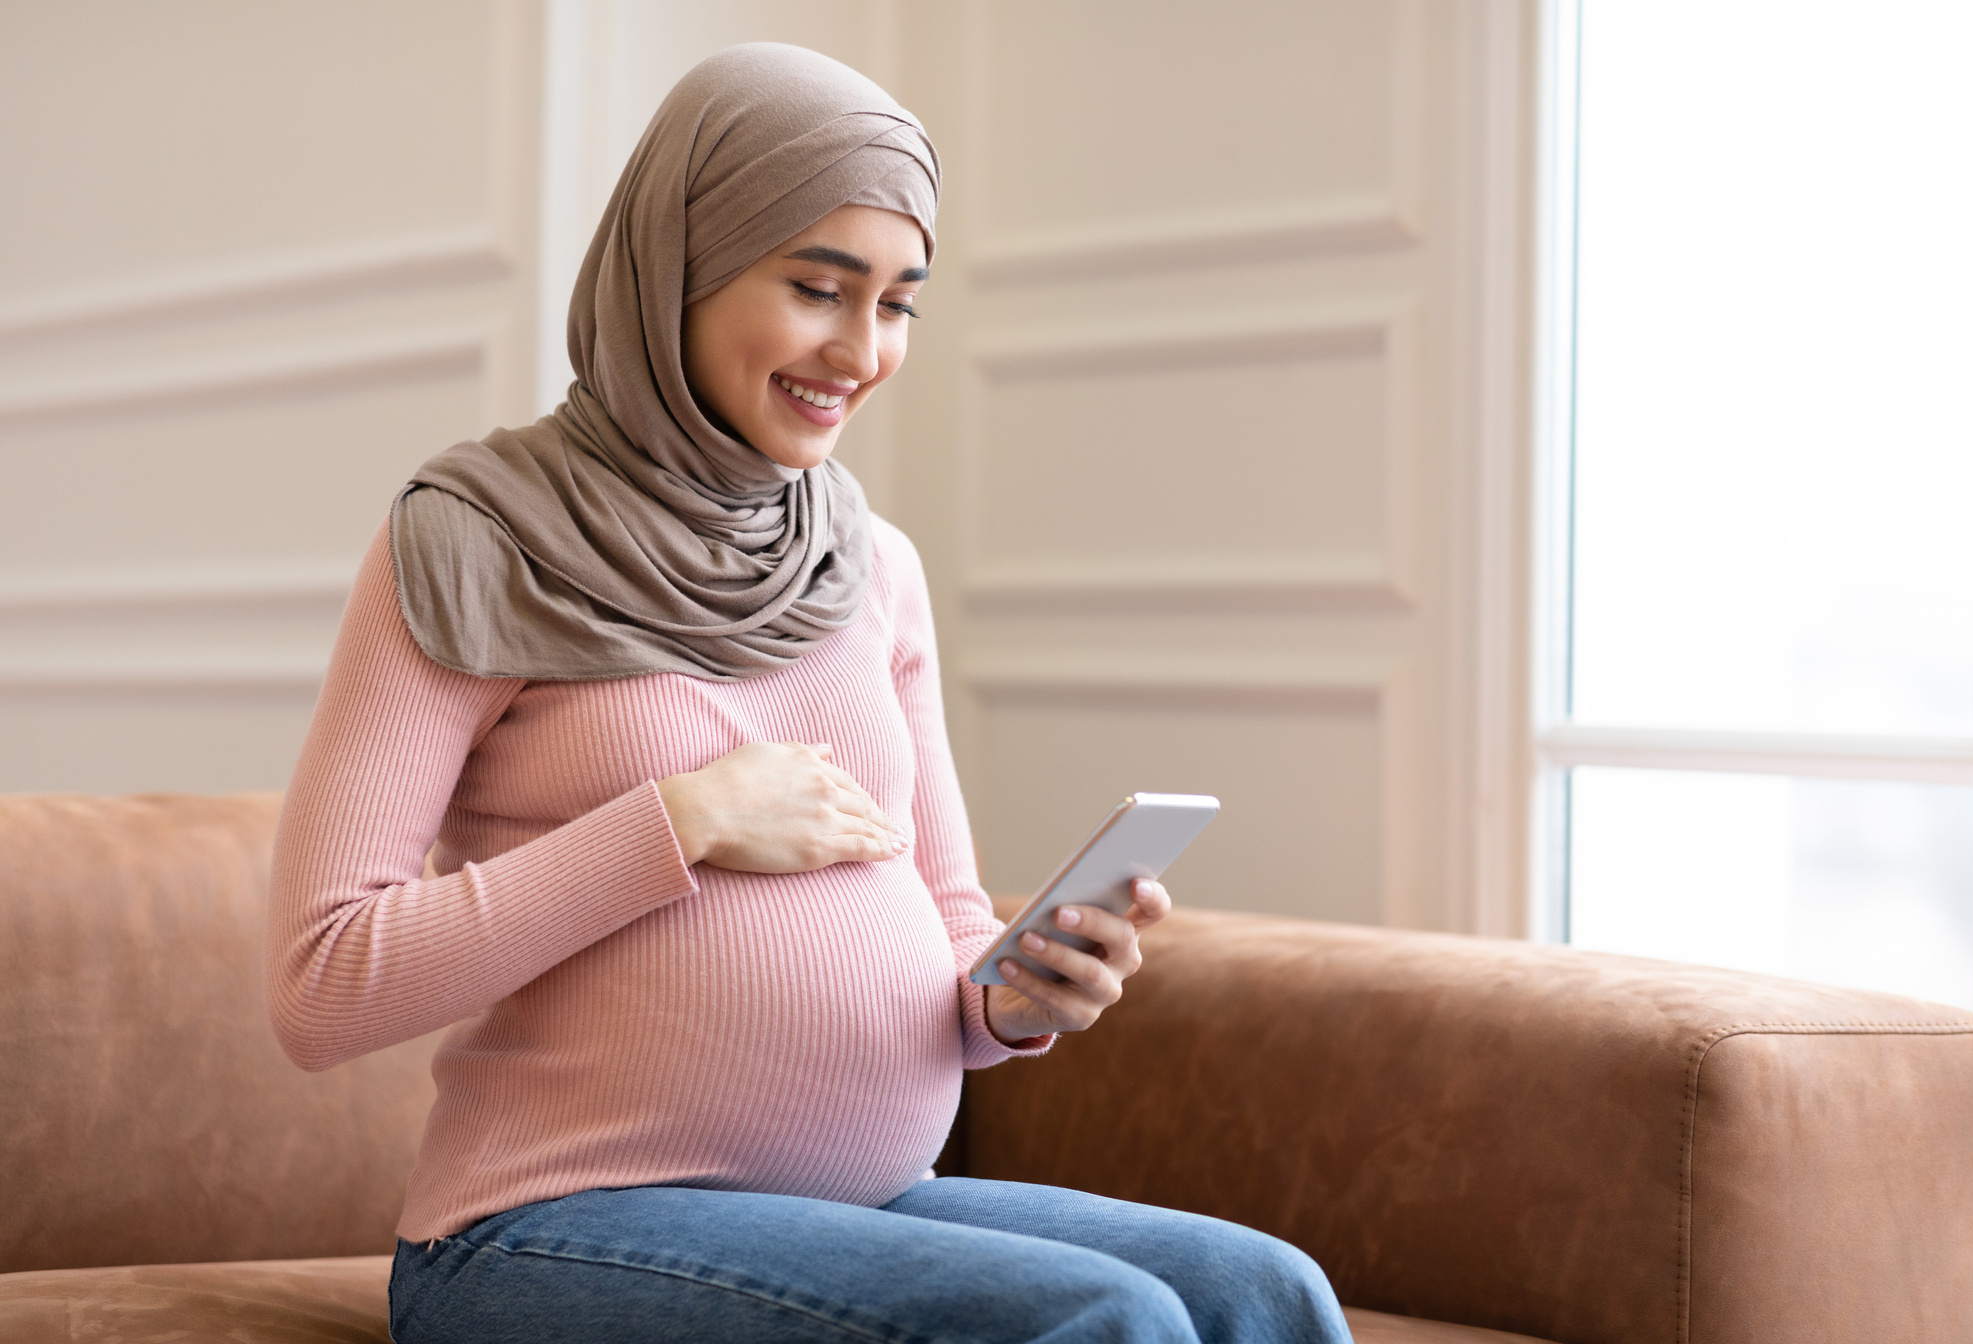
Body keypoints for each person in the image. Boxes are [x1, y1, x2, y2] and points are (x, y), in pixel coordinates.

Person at [266, 42, 1352, 1344]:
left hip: (860, 1202)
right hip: (546, 1226)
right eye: (819, 289)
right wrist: (681, 822)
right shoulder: (473, 541)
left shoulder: (871, 565)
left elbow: (948, 916)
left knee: (1266, 1295)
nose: (863, 349)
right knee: (1095, 1322)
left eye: (898, 303)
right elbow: (322, 988)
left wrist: (1007, 1001)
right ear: (680, 264)